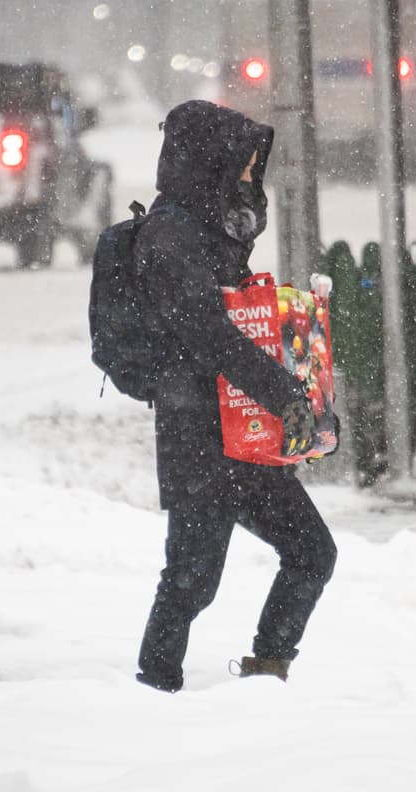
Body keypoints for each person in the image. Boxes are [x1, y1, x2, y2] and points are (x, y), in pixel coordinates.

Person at [132, 99, 338, 693]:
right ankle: (154, 689)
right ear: (209, 161)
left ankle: (268, 671)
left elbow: (247, 328)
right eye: (242, 163)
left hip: (245, 429)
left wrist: (309, 392)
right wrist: (285, 394)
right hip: (197, 435)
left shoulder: (213, 230)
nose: (251, 173)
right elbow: (210, 336)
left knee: (311, 552)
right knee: (191, 581)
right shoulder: (170, 237)